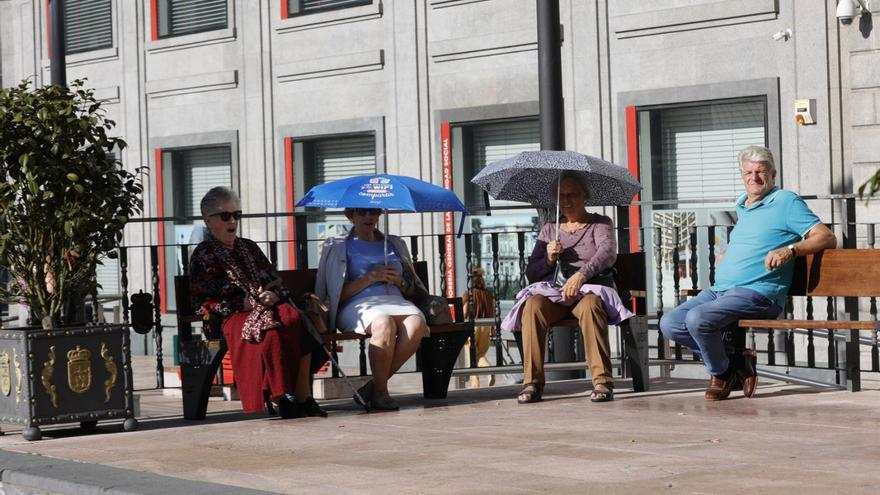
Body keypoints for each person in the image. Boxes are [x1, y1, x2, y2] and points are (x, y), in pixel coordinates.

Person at [659, 145, 837, 401]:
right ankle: (734, 363)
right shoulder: (743, 206)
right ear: (742, 175)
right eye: (749, 172)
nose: (754, 177)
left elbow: (826, 237)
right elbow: (757, 240)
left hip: (759, 293)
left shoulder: (786, 201)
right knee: (671, 323)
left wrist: (790, 250)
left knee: (698, 318)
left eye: (760, 171)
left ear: (773, 174)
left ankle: (721, 372)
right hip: (722, 290)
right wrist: (729, 255)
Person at [189, 187, 326, 419]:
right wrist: (243, 304)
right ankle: (280, 397)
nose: (233, 221)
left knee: (294, 318)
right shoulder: (203, 255)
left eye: (237, 215)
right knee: (270, 330)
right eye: (225, 216)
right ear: (208, 220)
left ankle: (303, 396)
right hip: (227, 318)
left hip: (263, 308)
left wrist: (273, 295)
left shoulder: (249, 247)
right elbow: (204, 301)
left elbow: (274, 280)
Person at [503, 172, 633, 404]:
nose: (566, 200)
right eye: (561, 196)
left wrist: (582, 275)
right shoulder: (549, 230)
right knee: (532, 305)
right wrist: (549, 259)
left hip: (588, 290)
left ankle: (602, 380)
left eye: (572, 194)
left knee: (591, 305)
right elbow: (532, 272)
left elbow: (607, 253)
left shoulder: (600, 223)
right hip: (555, 295)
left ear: (585, 195)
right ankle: (532, 381)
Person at [315, 208, 430, 411]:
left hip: (396, 300)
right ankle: (382, 393)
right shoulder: (337, 246)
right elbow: (332, 296)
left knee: (416, 325)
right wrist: (369, 278)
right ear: (350, 216)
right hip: (357, 305)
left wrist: (400, 282)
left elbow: (414, 288)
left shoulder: (395, 243)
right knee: (383, 323)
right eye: (362, 212)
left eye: (374, 211)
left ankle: (374, 387)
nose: (369, 216)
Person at [462, 267, 495, 388]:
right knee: (479, 355)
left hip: (473, 328)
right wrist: (493, 329)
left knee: (472, 357)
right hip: (486, 326)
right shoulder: (488, 294)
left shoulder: (469, 294)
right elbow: (493, 311)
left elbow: (464, 311)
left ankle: (475, 383)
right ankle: (488, 369)